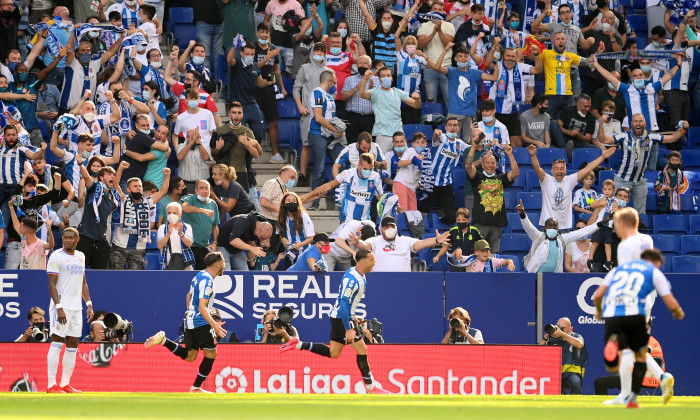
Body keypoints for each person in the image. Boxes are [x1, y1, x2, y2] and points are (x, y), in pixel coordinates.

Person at [279, 249, 389, 394]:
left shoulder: (357, 274)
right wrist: (348, 329)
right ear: (363, 262)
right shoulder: (353, 279)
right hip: (341, 318)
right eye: (372, 259)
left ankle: (298, 343)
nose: (375, 262)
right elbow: (343, 304)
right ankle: (371, 388)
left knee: (334, 353)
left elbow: (348, 302)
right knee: (362, 350)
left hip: (340, 316)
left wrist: (353, 314)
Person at [593, 248, 684, 408]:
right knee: (638, 354)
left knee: (624, 355)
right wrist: (677, 312)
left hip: (614, 314)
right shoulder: (653, 272)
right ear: (655, 262)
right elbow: (670, 301)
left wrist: (599, 311)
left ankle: (625, 393)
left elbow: (598, 295)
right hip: (637, 315)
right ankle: (652, 382)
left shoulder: (618, 270)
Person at [144, 252, 228, 393]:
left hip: (190, 321)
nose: (225, 265)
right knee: (212, 354)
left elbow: (188, 295)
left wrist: (189, 312)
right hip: (201, 323)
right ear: (218, 263)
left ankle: (163, 341)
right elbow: (202, 307)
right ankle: (195, 388)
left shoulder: (199, 275)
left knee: (191, 356)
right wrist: (214, 324)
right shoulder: (208, 281)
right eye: (224, 262)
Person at [597, 114, 686, 214]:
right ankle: (613, 229)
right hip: (622, 180)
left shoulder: (651, 137)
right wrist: (601, 124)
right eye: (635, 121)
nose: (638, 123)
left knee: (641, 213)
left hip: (640, 181)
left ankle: (637, 229)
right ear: (631, 124)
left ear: (645, 123)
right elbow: (604, 140)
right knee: (615, 210)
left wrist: (683, 129)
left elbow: (672, 138)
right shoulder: (624, 136)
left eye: (640, 121)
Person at [46, 227, 93, 393]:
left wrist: (88, 304)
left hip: (76, 308)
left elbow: (83, 282)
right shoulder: (56, 256)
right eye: (65, 238)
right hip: (62, 306)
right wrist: (59, 307)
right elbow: (51, 284)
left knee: (73, 344)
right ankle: (52, 385)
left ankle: (65, 384)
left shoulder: (81, 256)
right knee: (57, 342)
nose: (67, 240)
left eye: (70, 238)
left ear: (77, 240)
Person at [530, 144, 616, 230]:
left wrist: (603, 156)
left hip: (564, 227)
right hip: (547, 226)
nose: (559, 171)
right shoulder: (546, 180)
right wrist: (533, 155)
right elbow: (537, 168)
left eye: (562, 168)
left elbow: (588, 169)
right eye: (556, 168)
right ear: (552, 171)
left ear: (565, 170)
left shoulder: (570, 180)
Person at [427, 42, 500, 140]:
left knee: (470, 143)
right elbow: (436, 67)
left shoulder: (474, 73)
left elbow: (494, 77)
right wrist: (445, 49)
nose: (463, 58)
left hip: (470, 115)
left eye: (466, 56)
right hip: (454, 114)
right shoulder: (451, 72)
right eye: (460, 56)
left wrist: (498, 63)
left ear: (469, 58)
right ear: (455, 59)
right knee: (452, 142)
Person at [517, 198, 608, 273]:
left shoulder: (562, 239)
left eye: (554, 225)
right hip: (535, 275)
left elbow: (584, 231)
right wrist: (522, 214)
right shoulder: (538, 236)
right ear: (545, 227)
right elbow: (528, 227)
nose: (552, 227)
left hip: (554, 277)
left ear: (558, 228)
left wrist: (602, 222)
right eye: (549, 225)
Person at [467, 137, 519, 253]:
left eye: (493, 163)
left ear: (496, 165)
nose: (490, 165)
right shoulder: (477, 178)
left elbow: (515, 173)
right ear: (482, 164)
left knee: (494, 257)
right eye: (487, 163)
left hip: (496, 226)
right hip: (480, 225)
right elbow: (468, 166)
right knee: (477, 255)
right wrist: (474, 147)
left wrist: (510, 154)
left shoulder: (500, 179)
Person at [349, 216, 449, 272]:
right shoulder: (375, 241)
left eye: (392, 226)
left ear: (396, 228)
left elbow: (421, 243)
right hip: (380, 281)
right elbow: (365, 246)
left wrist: (435, 240)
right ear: (381, 229)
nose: (389, 229)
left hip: (402, 281)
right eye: (386, 227)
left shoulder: (405, 241)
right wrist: (358, 243)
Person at [358, 66, 422, 154]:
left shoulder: (398, 92)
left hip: (399, 134)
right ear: (379, 79)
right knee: (383, 163)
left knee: (404, 162)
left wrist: (418, 99)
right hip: (382, 134)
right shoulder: (375, 92)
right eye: (383, 76)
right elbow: (362, 94)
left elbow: (416, 105)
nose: (386, 78)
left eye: (388, 75)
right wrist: (365, 80)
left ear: (392, 78)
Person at [306, 153, 383, 223]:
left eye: (371, 169)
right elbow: (329, 185)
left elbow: (380, 197)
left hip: (365, 221)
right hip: (347, 220)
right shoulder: (348, 174)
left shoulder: (376, 177)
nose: (368, 172)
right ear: (359, 165)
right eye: (366, 169)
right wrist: (307, 196)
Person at [417, 0, 455, 106]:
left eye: (440, 10)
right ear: (430, 11)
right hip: (429, 66)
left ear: (443, 12)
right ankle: (431, 121)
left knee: (449, 99)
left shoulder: (449, 26)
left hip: (446, 66)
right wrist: (433, 33)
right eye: (435, 9)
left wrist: (439, 31)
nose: (437, 12)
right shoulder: (423, 26)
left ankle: (451, 122)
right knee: (430, 99)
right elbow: (421, 45)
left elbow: (448, 43)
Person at [539, 317, 588, 394]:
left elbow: (580, 344)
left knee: (575, 382)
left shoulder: (575, 336)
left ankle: (577, 403)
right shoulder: (554, 338)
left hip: (571, 373)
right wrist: (546, 338)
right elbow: (537, 350)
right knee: (550, 384)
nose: (560, 330)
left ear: (570, 329)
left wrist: (563, 335)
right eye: (559, 327)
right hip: (555, 373)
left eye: (563, 328)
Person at [590, 185, 630, 270]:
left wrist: (616, 214)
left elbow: (622, 234)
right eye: (620, 195)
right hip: (598, 259)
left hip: (615, 261)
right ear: (614, 197)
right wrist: (597, 209)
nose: (622, 198)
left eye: (625, 197)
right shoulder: (604, 206)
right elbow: (590, 226)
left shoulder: (630, 216)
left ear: (628, 200)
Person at [181, 180, 219, 269]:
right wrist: (203, 210)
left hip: (204, 247)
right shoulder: (190, 198)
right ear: (196, 190)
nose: (204, 191)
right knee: (185, 277)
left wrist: (215, 243)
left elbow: (215, 226)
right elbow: (184, 207)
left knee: (202, 276)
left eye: (207, 188)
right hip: (187, 246)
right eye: (201, 188)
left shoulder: (213, 204)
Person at [341, 55, 378, 144]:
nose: (361, 65)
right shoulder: (350, 79)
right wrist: (356, 88)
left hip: (370, 118)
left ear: (370, 66)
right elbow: (343, 97)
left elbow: (380, 100)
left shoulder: (376, 80)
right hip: (353, 117)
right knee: (352, 144)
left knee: (370, 145)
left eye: (365, 63)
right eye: (360, 63)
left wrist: (373, 90)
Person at [8, 200, 54, 269]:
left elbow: (51, 245)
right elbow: (15, 224)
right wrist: (11, 207)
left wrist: (49, 230)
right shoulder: (23, 241)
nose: (18, 228)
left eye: (21, 226)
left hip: (37, 278)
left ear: (25, 230)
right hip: (24, 278)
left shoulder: (40, 244)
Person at [277, 191, 315, 266]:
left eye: (294, 201)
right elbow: (280, 233)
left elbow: (311, 237)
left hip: (304, 252)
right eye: (289, 201)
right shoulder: (281, 217)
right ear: (284, 203)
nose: (291, 203)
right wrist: (283, 239)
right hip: (290, 253)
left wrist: (300, 244)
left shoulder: (303, 216)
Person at [157, 201, 195, 270]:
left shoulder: (187, 227)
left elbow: (189, 244)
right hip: (168, 265)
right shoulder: (162, 228)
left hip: (185, 265)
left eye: (174, 213)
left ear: (180, 214)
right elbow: (160, 245)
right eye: (169, 213)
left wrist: (181, 234)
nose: (171, 215)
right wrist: (168, 234)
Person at [449, 239, 516, 272]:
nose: (485, 253)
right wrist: (457, 251)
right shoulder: (469, 259)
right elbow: (452, 258)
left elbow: (507, 261)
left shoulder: (492, 261)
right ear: (476, 252)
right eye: (482, 251)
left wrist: (510, 263)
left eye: (487, 251)